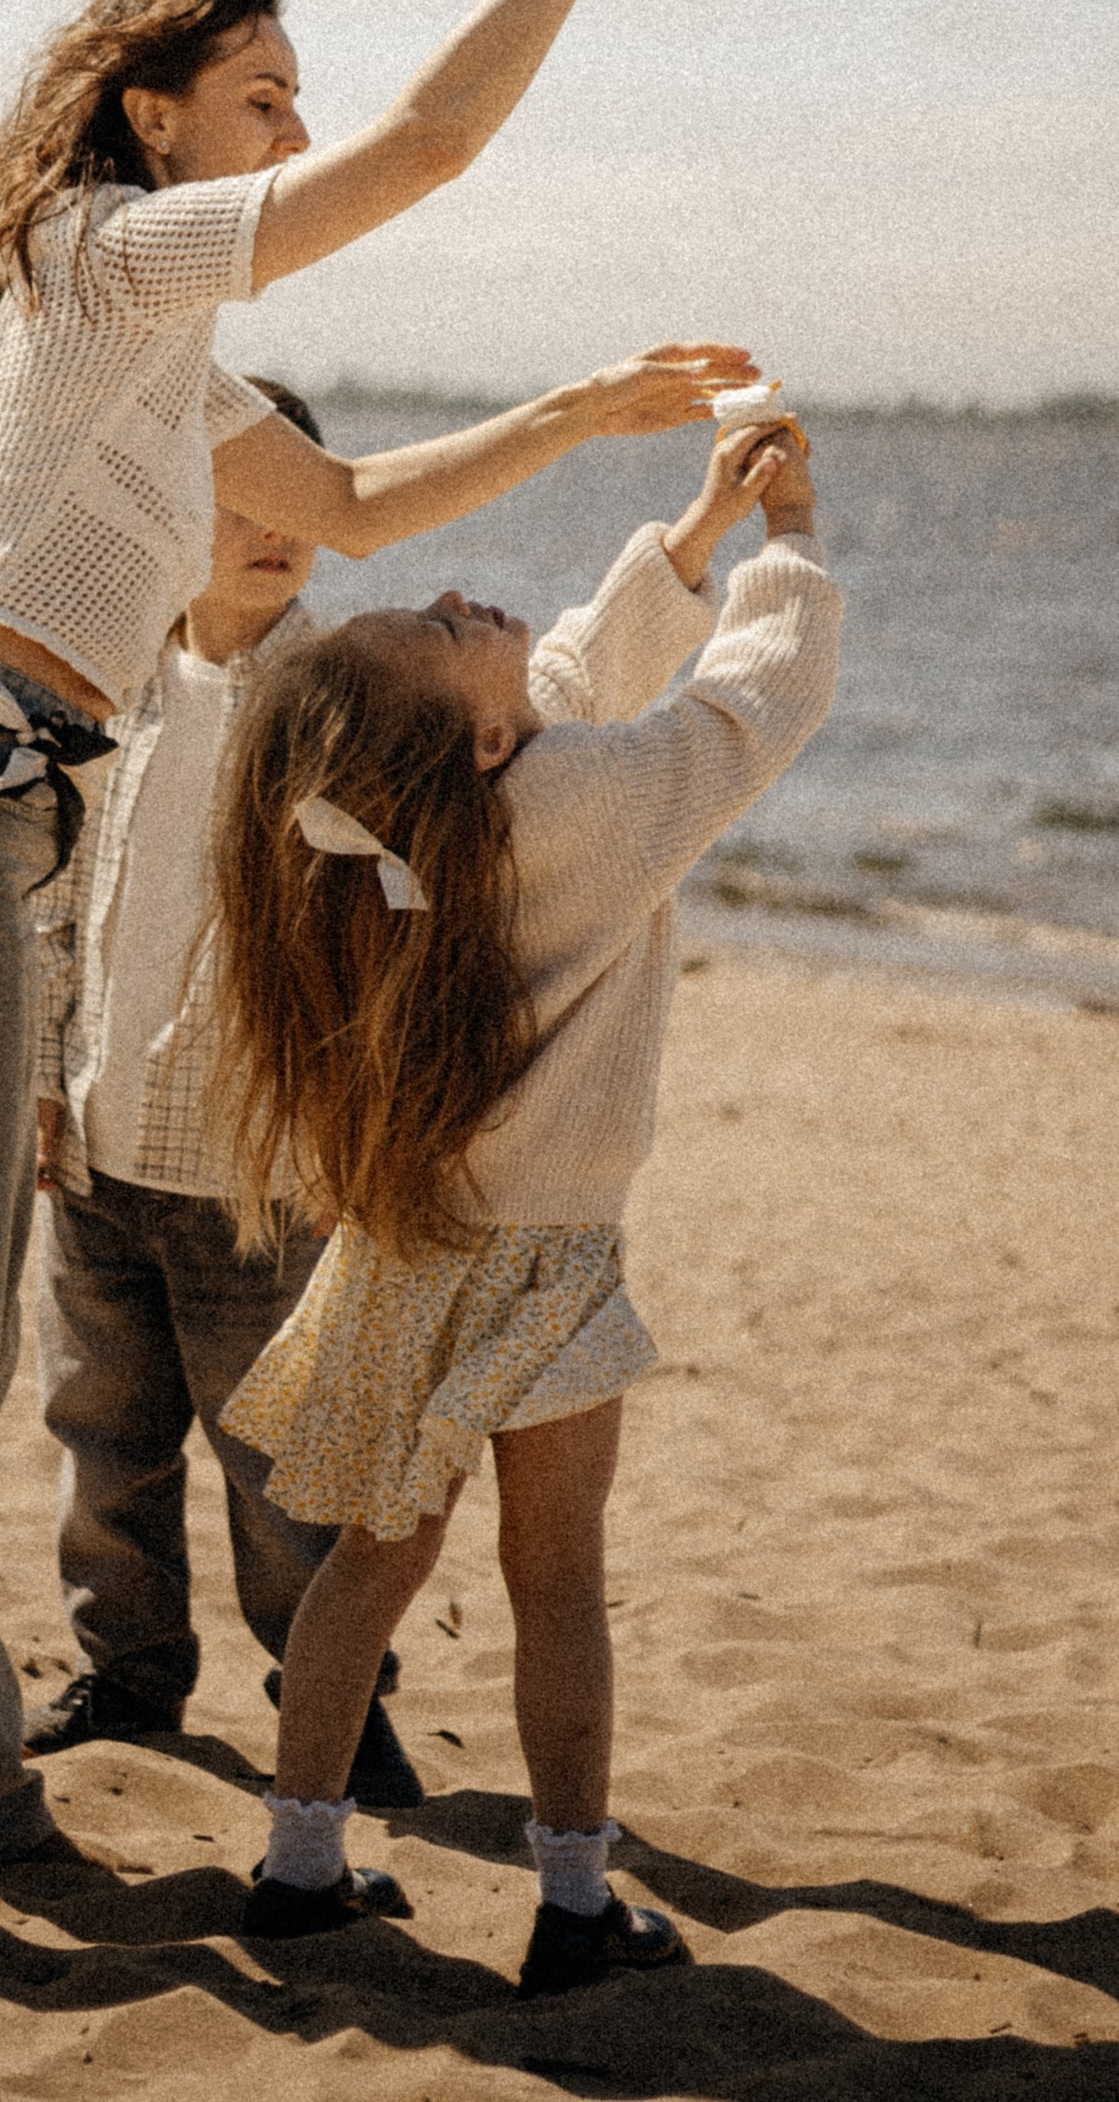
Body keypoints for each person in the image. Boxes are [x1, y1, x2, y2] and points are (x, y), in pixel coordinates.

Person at [0, 0, 756, 1933]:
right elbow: (426, 154)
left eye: (286, 104)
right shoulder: (96, 255)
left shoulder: (160, 360)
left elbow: (342, 515)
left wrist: (579, 415)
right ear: (152, 119)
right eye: (258, 99)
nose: (284, 139)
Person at [207, 413, 838, 1997]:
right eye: (436, 630)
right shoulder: (580, 806)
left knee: (367, 1567)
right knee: (555, 1580)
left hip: (406, 1253)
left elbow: (555, 687)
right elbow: (746, 719)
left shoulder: (392, 842)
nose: (465, 601)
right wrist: (790, 550)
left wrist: (688, 539)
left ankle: (297, 1866)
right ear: (473, 747)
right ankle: (571, 1907)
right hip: (549, 1264)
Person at [24, 376, 418, 1803]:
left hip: (261, 1167)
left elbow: (390, 934)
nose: (274, 527)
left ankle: (341, 1707)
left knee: (286, 1474)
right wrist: (43, 1085)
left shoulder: (341, 701)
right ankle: (126, 1673)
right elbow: (59, 895)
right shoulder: (109, 678)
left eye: (301, 495)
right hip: (97, 1141)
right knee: (104, 1436)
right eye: (238, 496)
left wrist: (349, 1137)